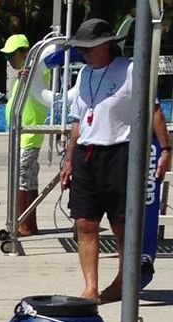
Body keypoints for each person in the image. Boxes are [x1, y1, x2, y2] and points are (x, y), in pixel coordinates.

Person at [59, 16, 170, 302]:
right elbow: (77, 120)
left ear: (107, 45)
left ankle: (124, 280)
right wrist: (70, 160)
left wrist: (166, 149)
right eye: (81, 48)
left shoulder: (130, 70)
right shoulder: (83, 74)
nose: (84, 52)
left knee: (121, 223)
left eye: (90, 47)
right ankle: (90, 287)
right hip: (87, 152)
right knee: (84, 221)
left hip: (120, 152)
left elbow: (153, 109)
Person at [2, 33, 52, 237]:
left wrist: (29, 77)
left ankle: (23, 223)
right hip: (21, 135)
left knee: (22, 179)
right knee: (28, 180)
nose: (10, 61)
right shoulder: (25, 74)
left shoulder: (36, 73)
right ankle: (29, 224)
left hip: (29, 134)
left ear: (24, 53)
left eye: (12, 56)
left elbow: (42, 88)